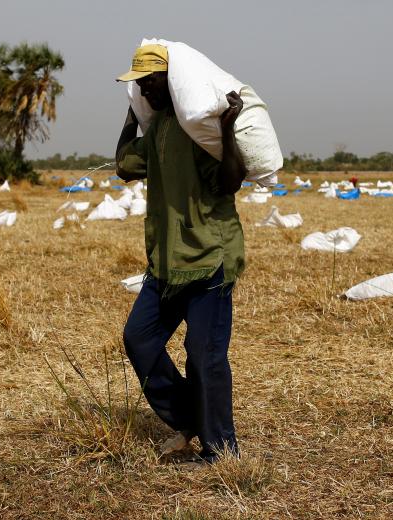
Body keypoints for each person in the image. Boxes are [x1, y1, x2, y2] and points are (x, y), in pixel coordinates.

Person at [114, 44, 247, 464]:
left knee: (204, 354)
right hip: (167, 261)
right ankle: (190, 418)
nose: (144, 88)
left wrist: (226, 130)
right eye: (138, 84)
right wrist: (132, 117)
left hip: (208, 256)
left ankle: (220, 448)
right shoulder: (158, 130)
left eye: (149, 81)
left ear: (169, 81)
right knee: (139, 339)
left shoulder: (198, 128)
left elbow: (230, 181)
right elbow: (122, 164)